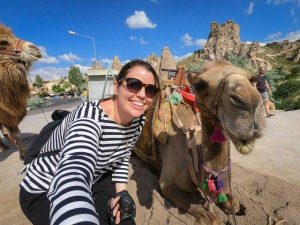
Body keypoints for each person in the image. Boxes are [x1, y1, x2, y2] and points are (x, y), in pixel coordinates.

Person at [19, 59, 160, 225]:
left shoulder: (138, 119)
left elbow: (123, 154)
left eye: (150, 89)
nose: (143, 95)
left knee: (125, 221)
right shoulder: (89, 120)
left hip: (96, 177)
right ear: (116, 87)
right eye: (134, 84)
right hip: (46, 187)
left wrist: (121, 193)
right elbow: (73, 171)